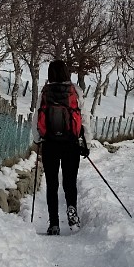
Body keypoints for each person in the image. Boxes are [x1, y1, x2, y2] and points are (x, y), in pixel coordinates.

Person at [34, 59, 88, 235]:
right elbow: (84, 118)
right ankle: (72, 211)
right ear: (67, 73)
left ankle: (54, 223)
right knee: (69, 181)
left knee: (52, 183)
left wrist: (37, 139)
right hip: (71, 143)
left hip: (49, 143)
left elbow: (37, 118)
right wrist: (86, 142)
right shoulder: (75, 92)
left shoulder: (45, 92)